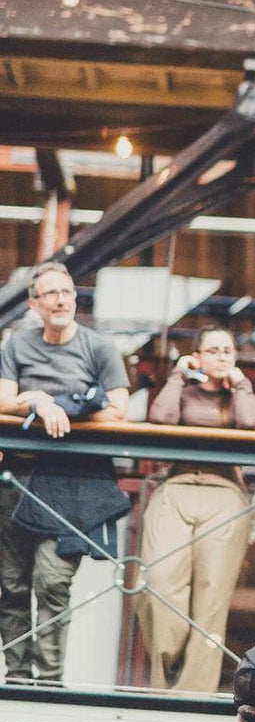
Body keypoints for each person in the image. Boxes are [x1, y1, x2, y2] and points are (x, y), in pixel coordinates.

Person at [0, 261, 130, 685]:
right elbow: (3, 401)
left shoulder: (98, 347)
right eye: (51, 294)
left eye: (68, 292)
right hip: (15, 478)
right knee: (11, 584)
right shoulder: (17, 344)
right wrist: (36, 399)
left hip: (71, 483)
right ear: (35, 304)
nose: (61, 300)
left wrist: (67, 405)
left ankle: (50, 681)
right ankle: (18, 678)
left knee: (51, 582)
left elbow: (118, 411)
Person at [136, 326, 255, 693]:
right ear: (198, 356)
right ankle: (164, 682)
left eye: (228, 350)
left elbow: (252, 423)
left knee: (211, 597)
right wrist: (178, 373)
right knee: (159, 584)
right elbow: (160, 418)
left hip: (224, 491)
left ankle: (195, 692)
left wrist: (240, 384)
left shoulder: (239, 394)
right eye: (214, 350)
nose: (222, 356)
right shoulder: (184, 390)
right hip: (176, 487)